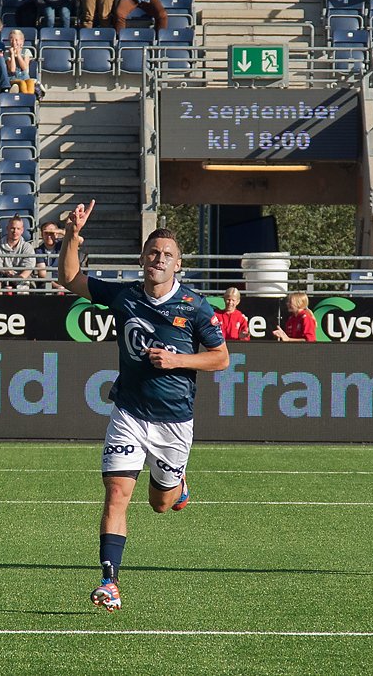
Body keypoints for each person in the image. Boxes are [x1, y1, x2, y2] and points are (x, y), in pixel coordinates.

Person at [53, 200, 226, 611]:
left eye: (167, 255)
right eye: (153, 253)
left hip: (173, 422)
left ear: (178, 265)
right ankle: (109, 581)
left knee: (161, 504)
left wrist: (178, 360)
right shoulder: (125, 296)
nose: (159, 259)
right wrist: (72, 237)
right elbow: (70, 279)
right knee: (116, 495)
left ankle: (177, 485)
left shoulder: (195, 307)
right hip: (128, 412)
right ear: (142, 259)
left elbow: (221, 358)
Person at [0, 216, 37, 292]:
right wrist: (5, 271)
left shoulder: (28, 247)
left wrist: (18, 279)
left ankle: (23, 303)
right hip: (3, 276)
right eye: (12, 228)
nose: (15, 231)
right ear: (7, 229)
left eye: (18, 229)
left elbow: (28, 268)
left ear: (22, 230)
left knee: (24, 282)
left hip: (22, 277)